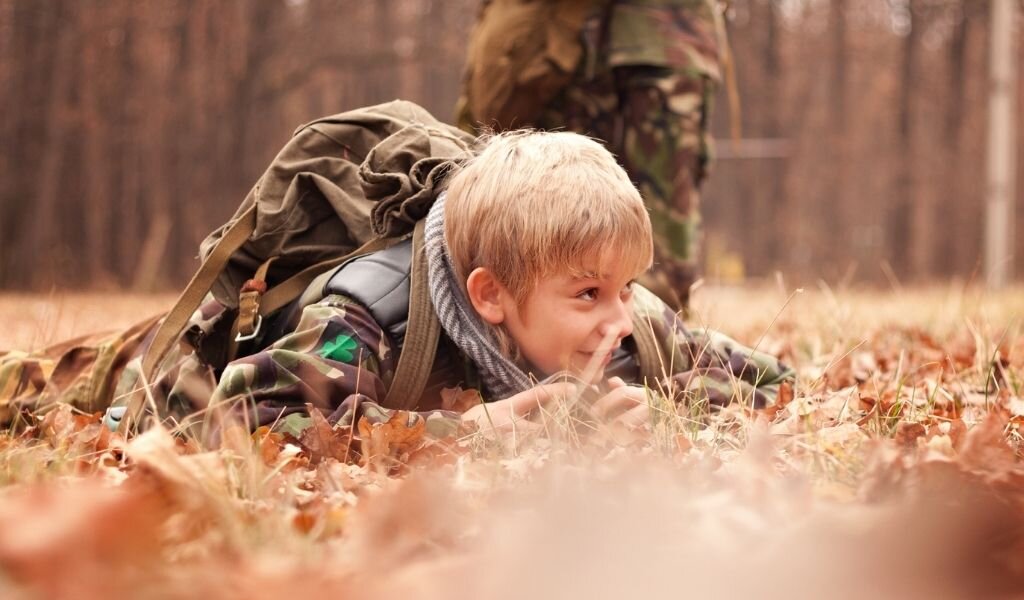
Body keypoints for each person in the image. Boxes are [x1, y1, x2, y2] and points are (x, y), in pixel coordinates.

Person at [2, 131, 789, 440]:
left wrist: (672, 418)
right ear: (490, 296)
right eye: (587, 295)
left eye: (627, 287)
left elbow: (776, 387)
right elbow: (239, 420)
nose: (616, 318)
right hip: (177, 358)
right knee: (34, 386)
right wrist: (477, 436)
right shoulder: (370, 314)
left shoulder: (623, 314)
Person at [456, 0, 726, 311]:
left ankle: (654, 343)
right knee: (568, 211)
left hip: (661, 36)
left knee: (661, 244)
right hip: (572, 44)